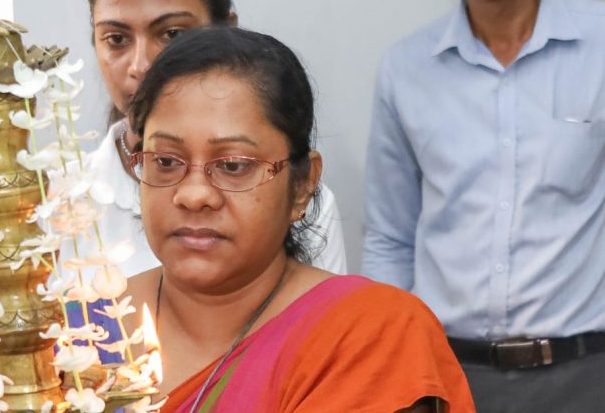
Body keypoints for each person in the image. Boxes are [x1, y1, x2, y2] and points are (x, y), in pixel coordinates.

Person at [125, 26, 474, 412]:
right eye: (165, 161)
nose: (193, 195)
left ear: (303, 185)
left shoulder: (369, 333)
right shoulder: (88, 330)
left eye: (234, 165)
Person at [363, 0, 605, 410]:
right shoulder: (406, 70)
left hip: (586, 374)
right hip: (448, 376)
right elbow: (389, 235)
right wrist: (396, 365)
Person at [81, 0, 347, 276]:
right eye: (116, 39)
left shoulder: (292, 195)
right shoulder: (54, 204)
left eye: (172, 34)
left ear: (227, 31)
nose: (141, 65)